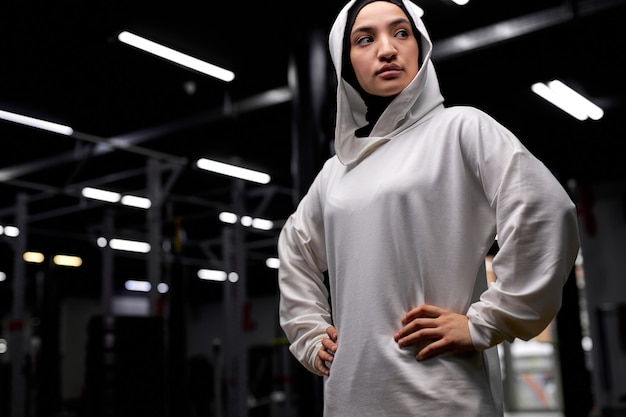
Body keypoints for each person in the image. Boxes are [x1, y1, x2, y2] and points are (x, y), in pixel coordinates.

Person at [277, 0, 580, 415]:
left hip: (442, 395)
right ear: (344, 62)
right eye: (365, 39)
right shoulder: (336, 172)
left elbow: (545, 211)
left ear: (421, 46)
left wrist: (487, 320)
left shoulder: (460, 129)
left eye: (401, 33)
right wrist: (309, 334)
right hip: (351, 397)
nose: (387, 49)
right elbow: (295, 249)